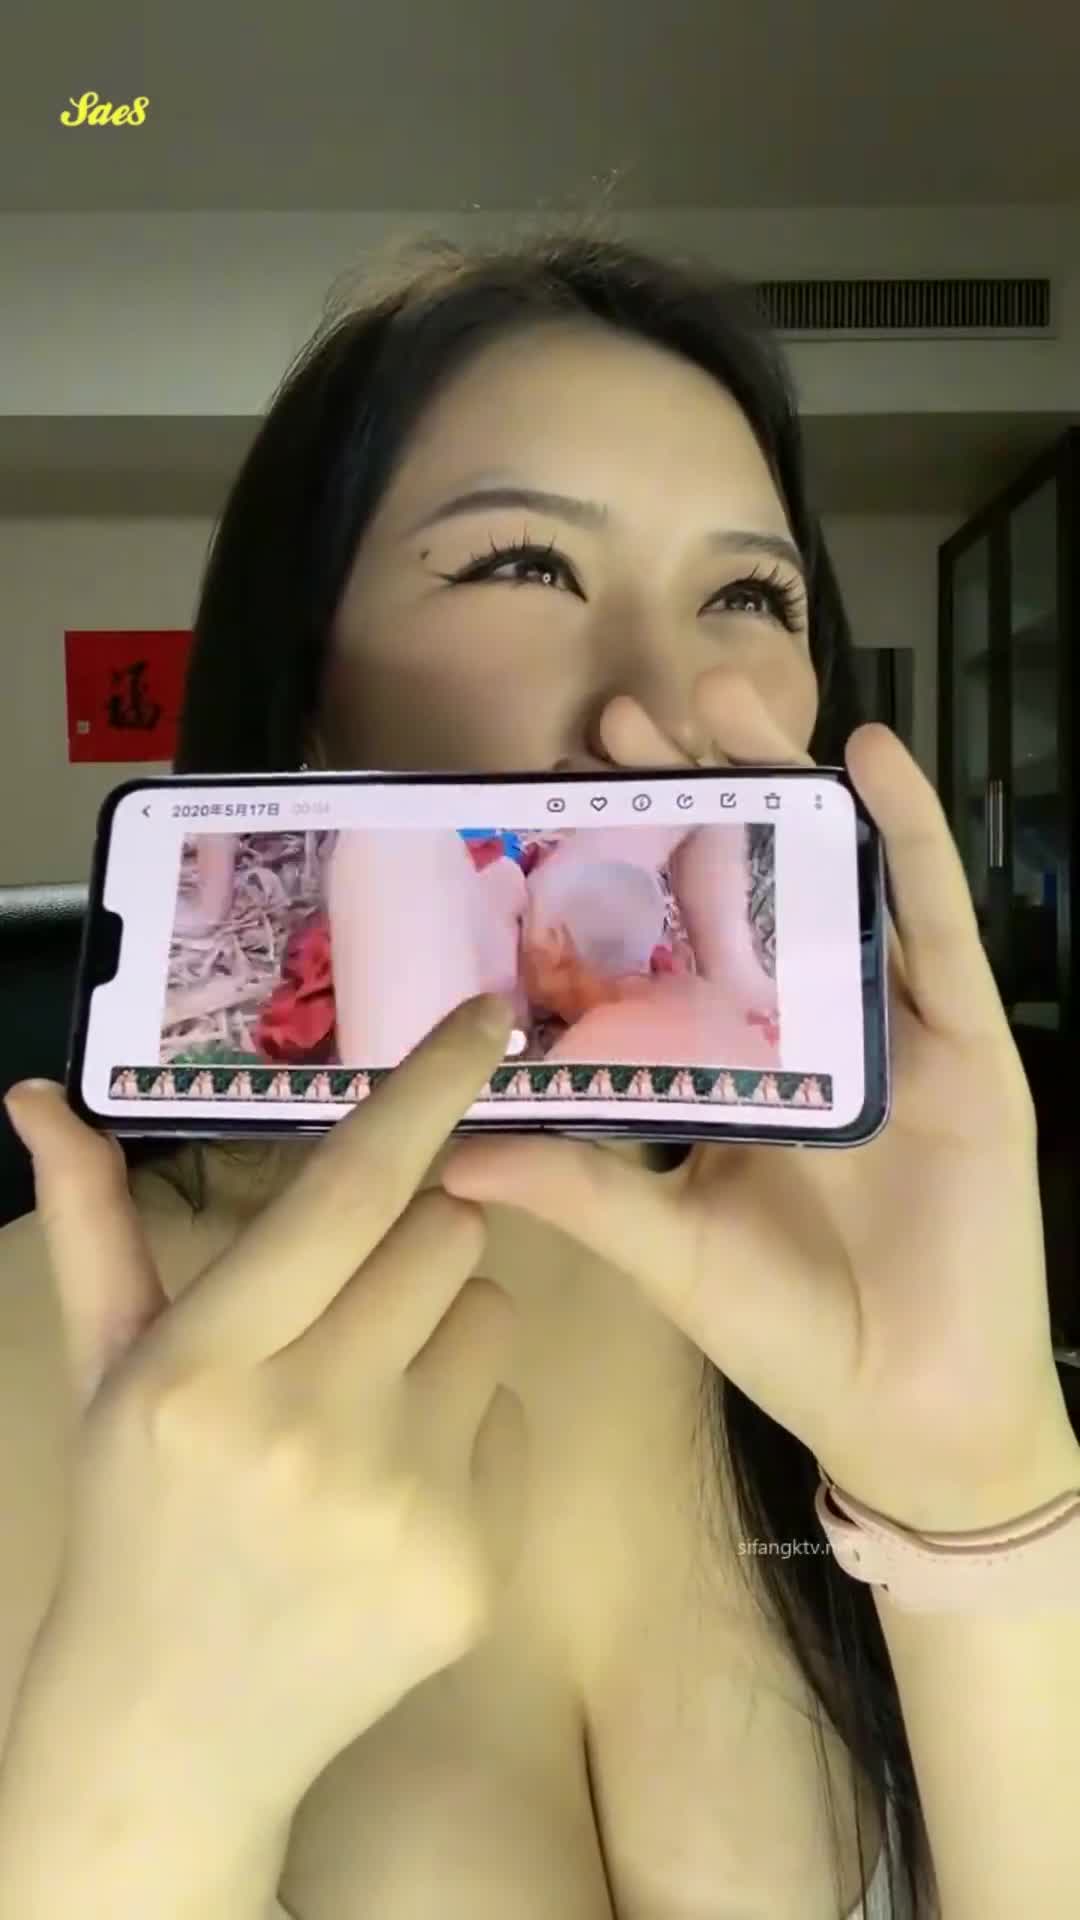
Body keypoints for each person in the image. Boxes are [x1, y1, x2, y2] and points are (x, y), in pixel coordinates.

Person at [0, 227, 1077, 1920]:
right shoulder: (67, 1349)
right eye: (521, 564)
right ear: (308, 696)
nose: (662, 690)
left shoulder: (856, 1284)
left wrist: (985, 1499)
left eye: (751, 596)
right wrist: (139, 1790)